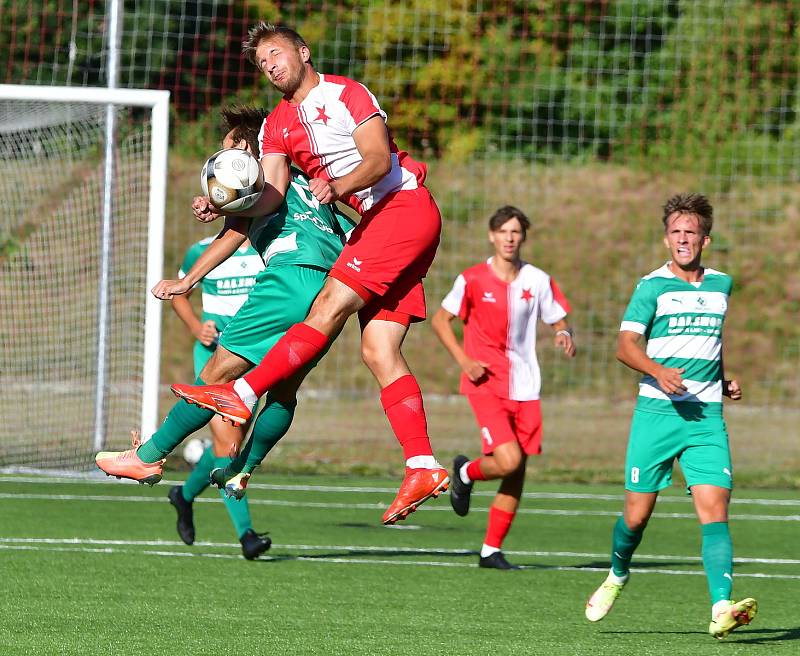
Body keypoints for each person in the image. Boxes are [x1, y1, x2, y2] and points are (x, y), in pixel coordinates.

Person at [172, 23, 449, 525]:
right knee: (378, 350)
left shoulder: (346, 93)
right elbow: (272, 196)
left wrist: (335, 184)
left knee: (326, 307)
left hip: (401, 210)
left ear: (303, 51)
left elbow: (379, 158)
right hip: (382, 227)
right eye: (262, 63)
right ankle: (422, 464)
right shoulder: (275, 125)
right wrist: (226, 202)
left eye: (276, 54)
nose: (271, 65)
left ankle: (242, 393)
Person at [95, 106, 354, 552]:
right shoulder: (308, 185)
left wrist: (186, 281)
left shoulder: (261, 183)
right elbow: (349, 228)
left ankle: (146, 456)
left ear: (248, 151)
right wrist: (216, 203)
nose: (223, 155)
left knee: (215, 378)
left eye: (231, 146)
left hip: (287, 280)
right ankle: (243, 469)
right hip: (331, 293)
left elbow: (235, 232)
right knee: (284, 390)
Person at [583, 193, 757, 639]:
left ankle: (721, 606)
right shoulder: (651, 287)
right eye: (676, 232)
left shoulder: (721, 285)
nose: (684, 239)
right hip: (656, 417)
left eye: (691, 232)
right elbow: (625, 347)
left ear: (705, 239)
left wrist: (723, 379)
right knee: (636, 518)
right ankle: (618, 574)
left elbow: (709, 345)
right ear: (666, 239)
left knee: (715, 509)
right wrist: (658, 371)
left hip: (705, 419)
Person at [431, 206, 576, 569]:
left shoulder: (537, 280)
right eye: (503, 231)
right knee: (508, 460)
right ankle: (464, 473)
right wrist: (464, 361)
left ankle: (490, 550)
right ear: (491, 236)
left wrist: (562, 333)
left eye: (516, 232)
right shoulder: (473, 279)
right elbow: (440, 320)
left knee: (517, 470)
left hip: (526, 385)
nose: (509, 238)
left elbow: (559, 319)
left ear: (523, 236)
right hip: (486, 383)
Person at [167, 232, 271, 559]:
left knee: (230, 442)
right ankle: (247, 536)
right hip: (215, 358)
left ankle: (184, 496)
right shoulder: (201, 250)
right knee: (228, 444)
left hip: (254, 355)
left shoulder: (267, 245)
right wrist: (197, 328)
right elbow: (180, 293)